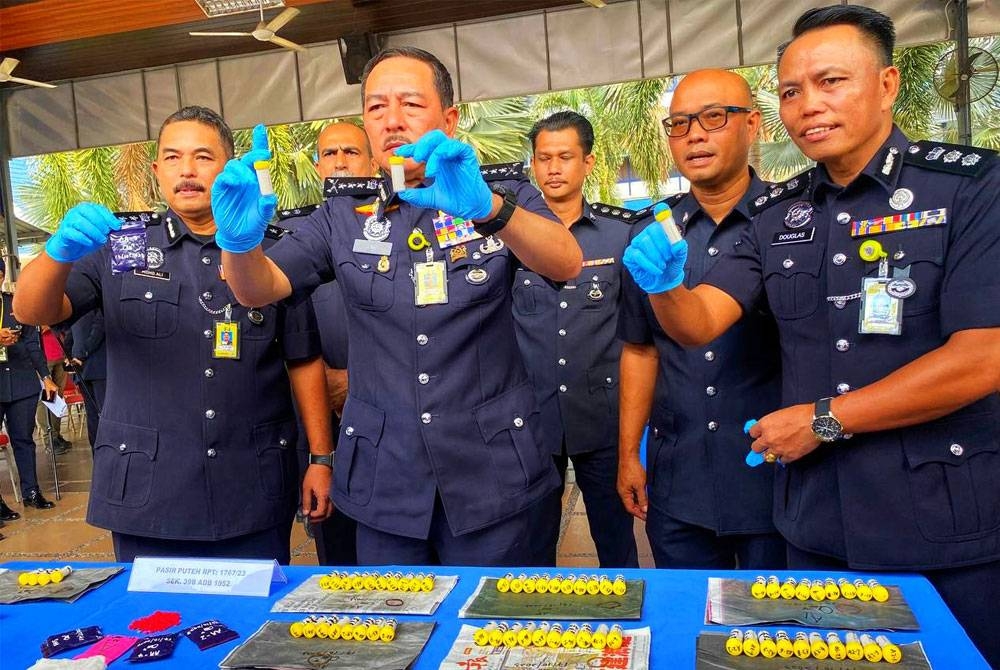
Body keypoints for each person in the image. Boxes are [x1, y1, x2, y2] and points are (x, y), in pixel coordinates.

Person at [623, 6, 1000, 664]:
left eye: (831, 82)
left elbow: (982, 358)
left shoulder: (972, 188)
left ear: (886, 85)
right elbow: (703, 321)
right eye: (793, 91)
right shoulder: (778, 213)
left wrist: (826, 419)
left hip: (942, 521)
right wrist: (665, 287)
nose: (809, 106)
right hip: (814, 522)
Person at [212, 46, 582, 566]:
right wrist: (236, 241)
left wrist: (490, 209)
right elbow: (257, 288)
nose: (392, 120)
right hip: (387, 479)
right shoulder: (344, 212)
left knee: (492, 634)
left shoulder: (500, 191)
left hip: (491, 472)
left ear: (448, 118)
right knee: (395, 632)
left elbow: (566, 261)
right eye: (376, 107)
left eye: (409, 104)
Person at [13, 105, 333, 563]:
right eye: (173, 157)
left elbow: (302, 359)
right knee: (151, 628)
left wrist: (321, 459)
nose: (187, 170)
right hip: (147, 491)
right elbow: (33, 310)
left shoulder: (272, 252)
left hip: (250, 486)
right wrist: (56, 253)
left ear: (229, 167)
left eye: (203, 157)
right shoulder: (121, 247)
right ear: (156, 170)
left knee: (252, 626)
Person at [618, 70, 786, 570]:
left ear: (753, 124)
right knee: (687, 625)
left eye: (714, 117)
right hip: (680, 473)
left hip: (771, 468)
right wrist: (630, 453)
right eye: (679, 123)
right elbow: (640, 348)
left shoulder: (792, 223)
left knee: (774, 625)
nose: (694, 134)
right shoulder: (651, 235)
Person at [514, 111, 637, 567]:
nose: (553, 168)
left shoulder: (620, 232)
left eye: (565, 157)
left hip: (602, 418)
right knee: (531, 546)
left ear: (588, 163)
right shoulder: (510, 236)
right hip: (531, 421)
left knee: (616, 542)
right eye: (543, 158)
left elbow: (638, 331)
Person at [281, 120, 376, 566]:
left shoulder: (401, 224)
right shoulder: (294, 235)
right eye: (330, 153)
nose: (340, 161)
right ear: (318, 165)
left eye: (352, 152)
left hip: (391, 411)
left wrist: (358, 381)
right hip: (321, 417)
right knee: (337, 552)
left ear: (374, 162)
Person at [0, 259, 58, 510]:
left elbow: (33, 343)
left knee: (24, 438)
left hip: (22, 381)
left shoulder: (14, 303)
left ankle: (31, 492)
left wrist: (45, 376)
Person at [64, 308, 107, 451]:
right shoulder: (83, 303)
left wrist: (76, 353)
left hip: (94, 365)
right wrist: (70, 355)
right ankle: (99, 454)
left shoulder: (87, 303)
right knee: (96, 416)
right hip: (88, 367)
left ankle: (101, 454)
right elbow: (71, 333)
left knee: (101, 414)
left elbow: (99, 327)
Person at [35, 325, 71, 453]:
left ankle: (57, 435)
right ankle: (49, 438)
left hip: (59, 352)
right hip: (43, 357)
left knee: (58, 398)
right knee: (45, 399)